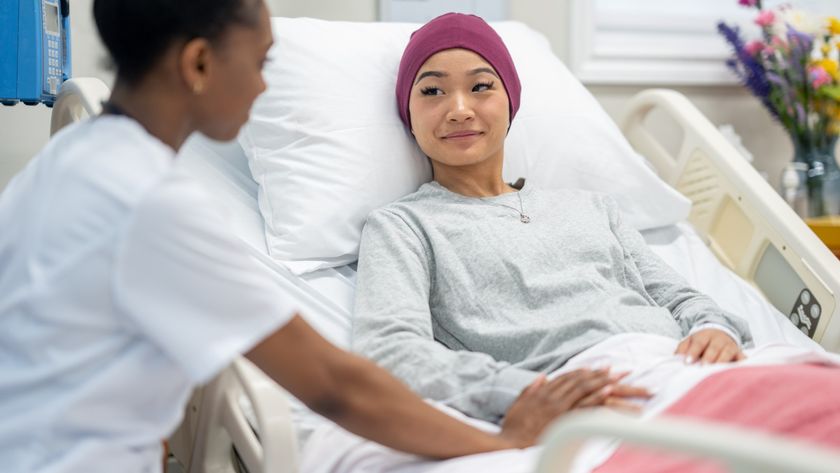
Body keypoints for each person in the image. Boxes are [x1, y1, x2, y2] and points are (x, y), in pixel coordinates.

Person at [0, 2, 641, 472]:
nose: (261, 87)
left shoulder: (72, 159)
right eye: (258, 64)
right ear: (198, 64)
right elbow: (335, 385)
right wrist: (505, 444)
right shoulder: (151, 202)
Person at [352, 12, 753, 424]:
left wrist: (715, 330)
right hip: (588, 397)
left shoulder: (593, 207)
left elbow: (678, 298)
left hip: (691, 367)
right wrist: (524, 392)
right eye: (433, 90)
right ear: (408, 115)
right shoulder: (403, 227)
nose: (459, 109)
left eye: (481, 86)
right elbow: (391, 350)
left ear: (510, 101)